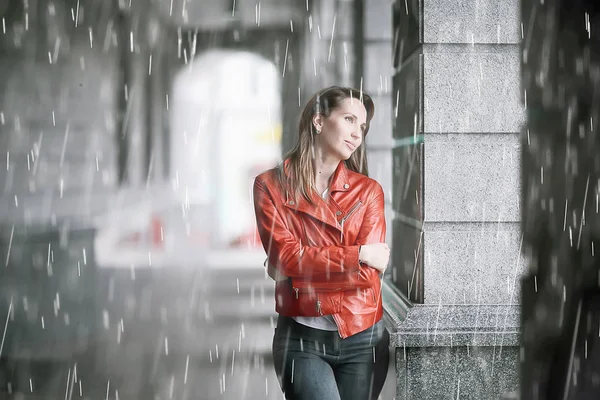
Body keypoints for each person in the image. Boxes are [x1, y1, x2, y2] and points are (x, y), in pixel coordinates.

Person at [252, 86, 391, 400]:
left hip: (364, 337)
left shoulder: (369, 191)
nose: (357, 133)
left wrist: (299, 266)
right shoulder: (270, 186)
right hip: (301, 341)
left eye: (363, 126)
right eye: (349, 119)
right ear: (318, 120)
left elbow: (369, 276)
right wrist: (358, 255)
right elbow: (285, 258)